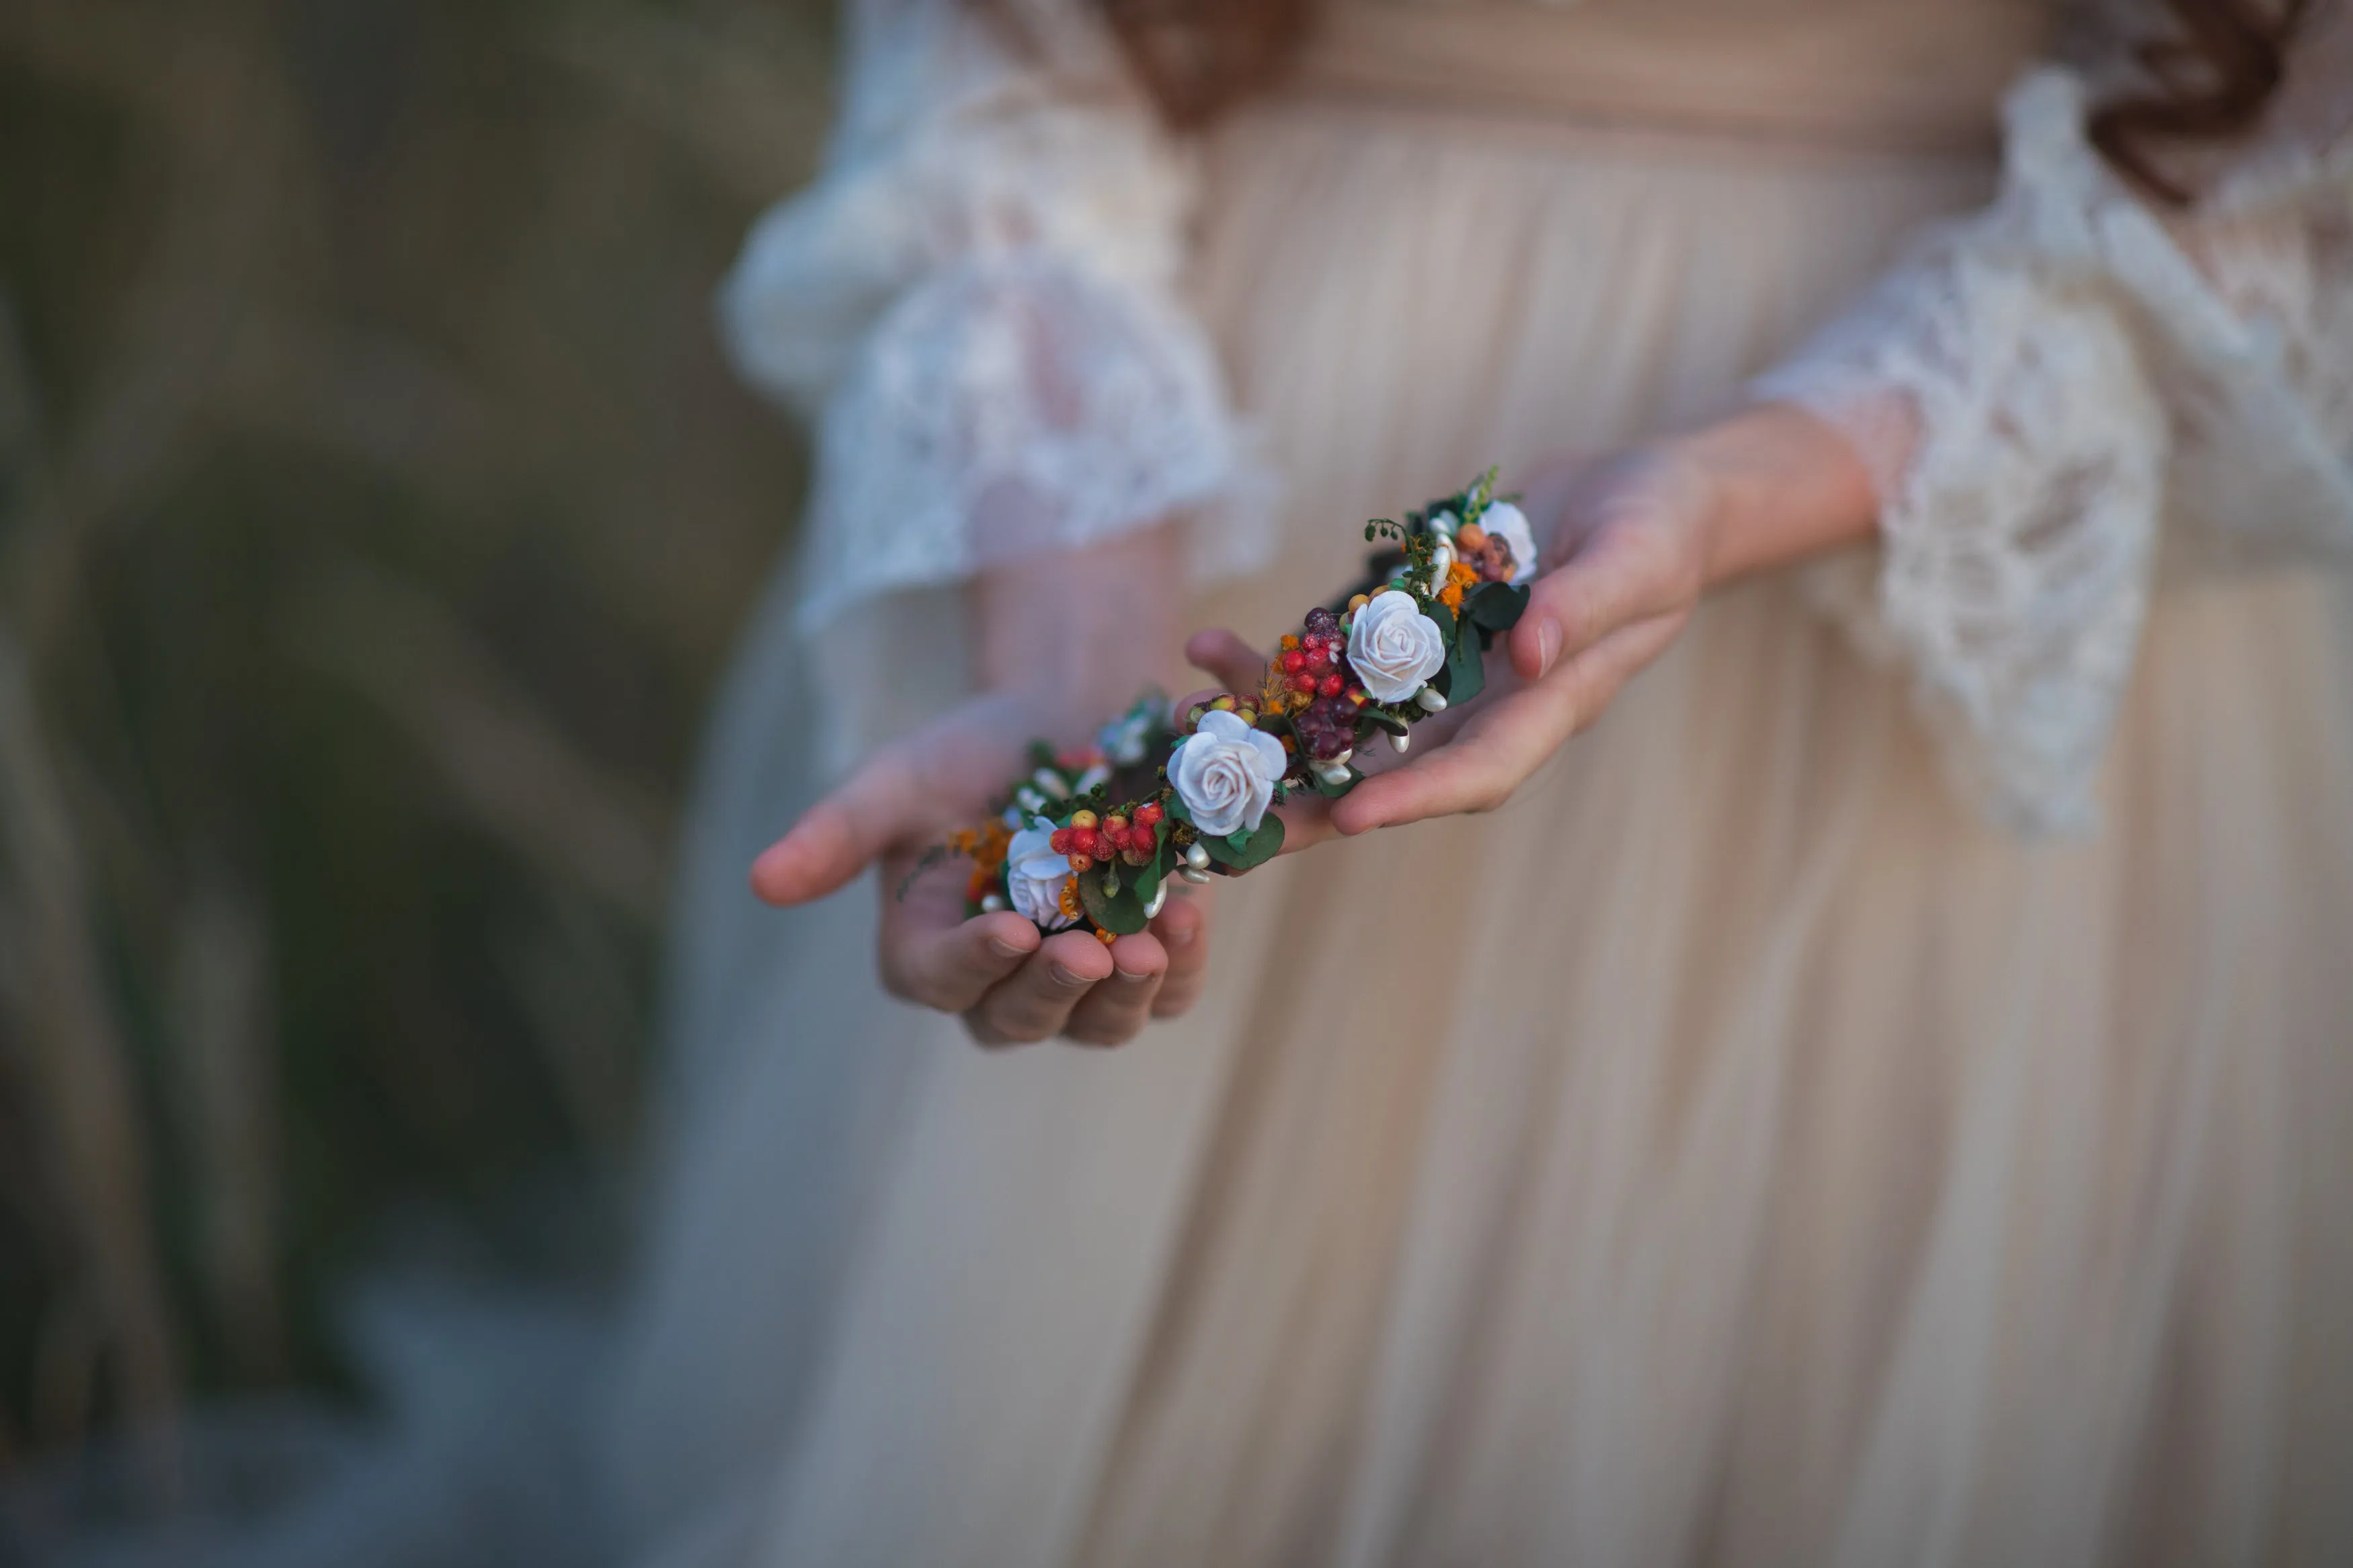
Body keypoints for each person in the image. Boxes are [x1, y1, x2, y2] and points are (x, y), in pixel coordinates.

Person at [606, 1, 2353, 1563]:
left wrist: (1734, 491)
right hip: (1241, 446)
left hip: (1918, 516)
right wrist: (1074, 643)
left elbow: (2255, 203)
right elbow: (1009, 78)